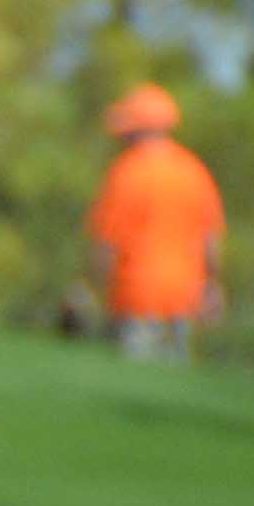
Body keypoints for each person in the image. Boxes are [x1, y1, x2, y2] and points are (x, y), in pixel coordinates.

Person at [88, 85, 225, 363]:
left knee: (133, 381)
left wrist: (96, 290)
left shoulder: (127, 172)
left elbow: (106, 245)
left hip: (135, 298)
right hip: (185, 299)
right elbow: (210, 241)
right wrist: (212, 286)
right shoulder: (194, 171)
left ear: (135, 128)